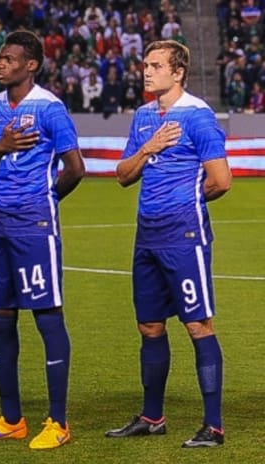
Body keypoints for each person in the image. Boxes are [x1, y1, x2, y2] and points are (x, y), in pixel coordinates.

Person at [105, 40, 232, 448]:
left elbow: (221, 179)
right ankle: (152, 417)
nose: (146, 71)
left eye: (156, 65)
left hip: (184, 237)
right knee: (149, 325)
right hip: (147, 237)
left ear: (178, 72)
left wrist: (185, 205)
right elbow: (123, 175)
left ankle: (213, 426)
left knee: (197, 324)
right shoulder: (143, 117)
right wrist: (149, 147)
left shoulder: (197, 117)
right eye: (145, 64)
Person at [0, 30, 85, 450]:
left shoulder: (50, 108)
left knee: (46, 315)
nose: (0, 64)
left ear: (31, 65)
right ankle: (12, 420)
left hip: (34, 224)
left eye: (10, 59)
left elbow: (75, 167)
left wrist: (44, 200)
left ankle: (58, 422)